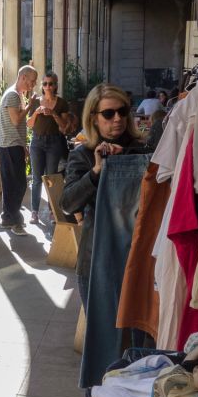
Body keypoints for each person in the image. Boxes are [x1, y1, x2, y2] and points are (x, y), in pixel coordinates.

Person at [60, 84, 145, 307]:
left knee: (139, 337)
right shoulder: (84, 154)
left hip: (139, 256)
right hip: (98, 257)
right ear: (94, 118)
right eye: (108, 113)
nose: (117, 118)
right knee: (102, 337)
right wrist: (96, 171)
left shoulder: (141, 151)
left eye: (122, 111)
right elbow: (67, 204)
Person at [0, 65, 38, 235]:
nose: (33, 84)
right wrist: (30, 105)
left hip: (12, 144)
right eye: (32, 80)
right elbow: (15, 121)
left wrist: (23, 145)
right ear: (23, 78)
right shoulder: (13, 95)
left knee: (12, 184)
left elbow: (17, 124)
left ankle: (9, 218)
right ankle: (14, 221)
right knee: (18, 184)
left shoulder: (17, 95)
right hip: (9, 145)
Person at [26, 71, 72, 224]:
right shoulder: (36, 101)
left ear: (56, 85)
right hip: (37, 142)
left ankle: (53, 211)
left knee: (51, 177)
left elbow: (64, 126)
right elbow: (29, 125)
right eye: (45, 83)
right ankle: (34, 212)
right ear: (42, 86)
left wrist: (53, 113)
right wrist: (37, 114)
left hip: (54, 142)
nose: (47, 86)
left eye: (51, 83)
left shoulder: (61, 103)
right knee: (37, 178)